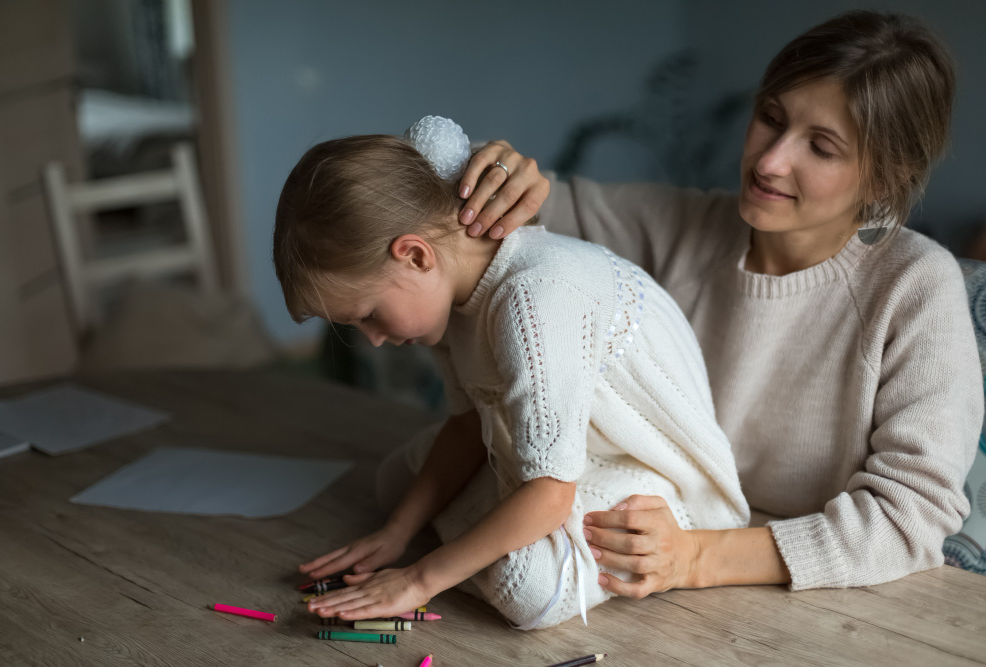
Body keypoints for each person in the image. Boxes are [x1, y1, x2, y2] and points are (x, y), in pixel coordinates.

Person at [453, 10, 983, 596]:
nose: (769, 161)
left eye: (822, 147)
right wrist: (496, 170)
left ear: (886, 176)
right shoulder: (685, 225)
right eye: (770, 118)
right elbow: (498, 203)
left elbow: (912, 518)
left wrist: (695, 559)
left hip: (821, 601)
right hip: (647, 574)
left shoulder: (917, 286)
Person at [273, 118, 749, 628]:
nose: (373, 338)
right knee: (396, 483)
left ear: (414, 255)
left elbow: (550, 492)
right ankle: (480, 531)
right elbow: (465, 427)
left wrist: (419, 579)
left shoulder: (534, 300)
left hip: (639, 465)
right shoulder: (445, 299)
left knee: (524, 586)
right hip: (561, 456)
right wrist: (396, 532)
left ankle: (509, 533)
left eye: (368, 314)